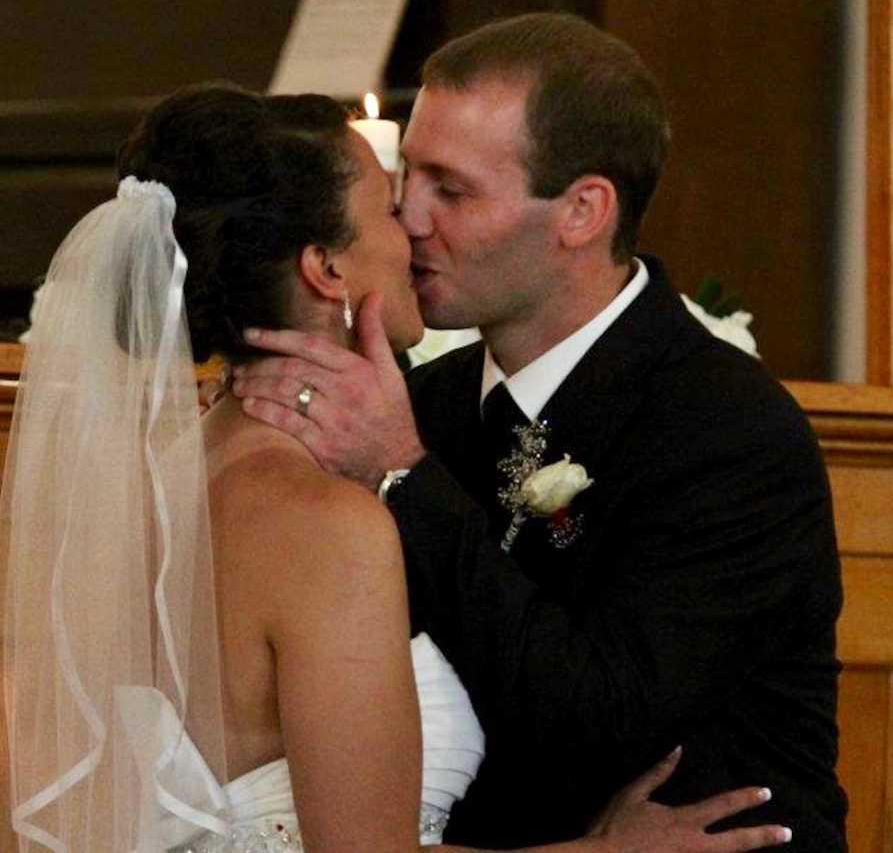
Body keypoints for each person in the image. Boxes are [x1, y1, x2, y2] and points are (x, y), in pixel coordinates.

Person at [0, 83, 788, 853]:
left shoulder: (145, 487)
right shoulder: (328, 525)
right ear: (327, 270)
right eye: (388, 202)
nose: (412, 226)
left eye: (440, 189)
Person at [230, 13, 848, 850]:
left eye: (450, 189)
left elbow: (601, 718)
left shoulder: (726, 426)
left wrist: (406, 475)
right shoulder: (423, 399)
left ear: (583, 211)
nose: (408, 217)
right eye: (406, 175)